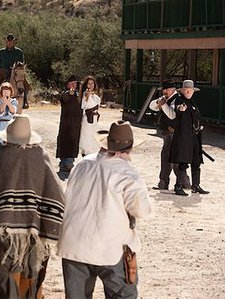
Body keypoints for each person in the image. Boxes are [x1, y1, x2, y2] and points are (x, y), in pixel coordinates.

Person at [57, 120, 153, 299]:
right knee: (124, 295)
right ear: (129, 149)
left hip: (74, 243)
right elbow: (142, 211)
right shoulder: (128, 173)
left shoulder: (83, 164)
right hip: (109, 246)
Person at [0, 114, 65, 298]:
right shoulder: (40, 155)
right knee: (32, 270)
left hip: (5, 226)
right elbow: (55, 190)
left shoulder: (1, 155)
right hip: (34, 227)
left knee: (7, 271)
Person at [170, 80, 209, 196]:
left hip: (195, 137)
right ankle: (178, 186)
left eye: (190, 90)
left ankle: (195, 186)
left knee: (196, 161)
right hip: (184, 137)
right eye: (186, 89)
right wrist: (180, 109)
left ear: (193, 91)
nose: (188, 91)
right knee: (183, 161)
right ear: (182, 91)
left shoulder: (192, 103)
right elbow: (176, 108)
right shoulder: (179, 100)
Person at [149, 80, 190, 191]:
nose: (164, 91)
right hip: (167, 133)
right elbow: (152, 106)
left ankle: (181, 182)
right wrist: (160, 102)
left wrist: (164, 105)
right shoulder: (165, 99)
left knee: (172, 159)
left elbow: (172, 116)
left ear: (172, 89)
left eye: (166, 89)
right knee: (168, 158)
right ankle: (170, 183)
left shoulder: (178, 99)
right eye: (164, 89)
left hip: (175, 133)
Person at [0, 34, 29, 108]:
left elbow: (21, 64)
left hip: (16, 71)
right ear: (6, 42)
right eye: (8, 41)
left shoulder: (19, 52)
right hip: (4, 71)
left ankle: (25, 101)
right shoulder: (1, 52)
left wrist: (17, 67)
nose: (9, 43)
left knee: (26, 84)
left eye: (11, 42)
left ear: (13, 42)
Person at [56, 75, 83, 173]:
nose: (73, 85)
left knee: (73, 144)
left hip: (76, 125)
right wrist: (69, 93)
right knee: (65, 143)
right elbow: (65, 98)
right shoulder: (65, 94)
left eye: (75, 83)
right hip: (66, 125)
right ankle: (65, 163)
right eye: (71, 83)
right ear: (67, 85)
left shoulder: (79, 95)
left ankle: (66, 164)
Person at [78, 75, 101, 156]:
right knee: (87, 138)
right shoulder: (85, 93)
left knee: (93, 138)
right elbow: (83, 105)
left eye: (92, 83)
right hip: (87, 119)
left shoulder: (96, 96)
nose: (90, 85)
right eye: (88, 83)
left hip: (94, 120)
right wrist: (87, 97)